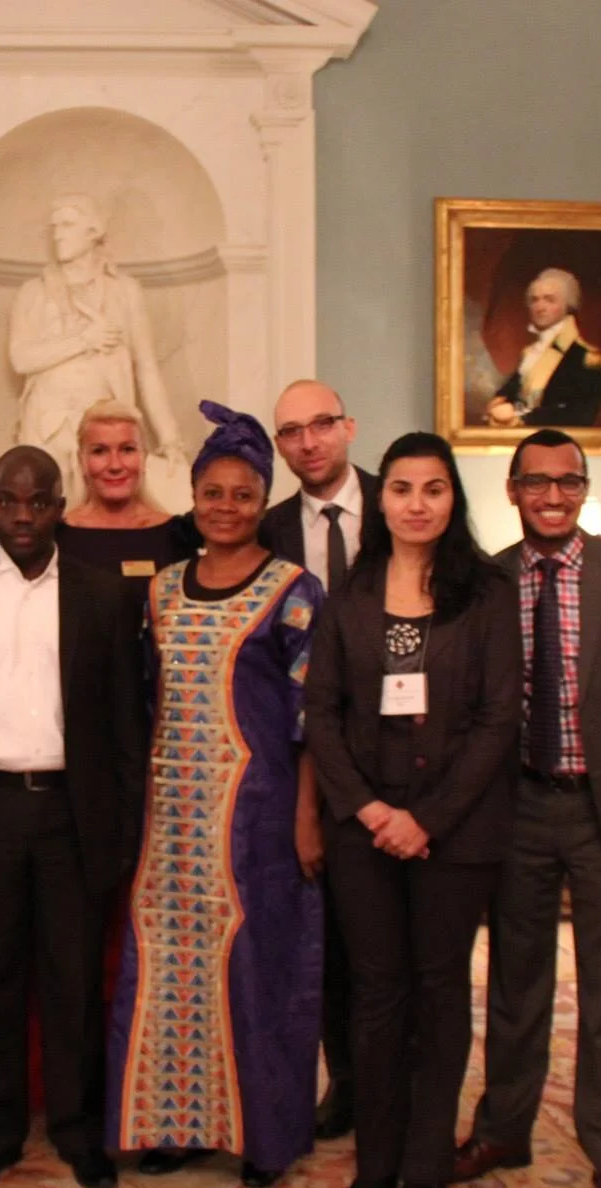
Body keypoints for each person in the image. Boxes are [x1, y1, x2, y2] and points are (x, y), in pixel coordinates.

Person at [453, 428, 601, 1188]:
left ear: (584, 490)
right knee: (516, 987)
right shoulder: (484, 584)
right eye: (536, 483)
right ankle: (504, 1131)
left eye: (569, 482)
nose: (553, 496)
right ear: (511, 492)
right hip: (514, 812)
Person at [303, 431, 521, 1188]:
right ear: (381, 499)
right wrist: (367, 810)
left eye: (433, 489)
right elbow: (322, 713)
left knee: (436, 993)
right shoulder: (349, 594)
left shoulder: (487, 593)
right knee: (375, 994)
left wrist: (424, 819)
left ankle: (427, 1164)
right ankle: (377, 1160)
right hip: (364, 826)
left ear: (452, 499)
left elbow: (499, 721)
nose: (417, 504)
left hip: (454, 833)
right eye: (402, 489)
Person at [106, 400, 325, 1188]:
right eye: (211, 494)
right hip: (168, 824)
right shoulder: (161, 591)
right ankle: (174, 1124)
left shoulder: (296, 591)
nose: (224, 508)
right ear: (192, 498)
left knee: (256, 968)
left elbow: (311, 723)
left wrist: (306, 816)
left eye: (240, 494)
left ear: (262, 500)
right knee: (171, 968)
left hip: (256, 821)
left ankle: (262, 1136)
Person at [0, 446, 145, 1188]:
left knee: (73, 979)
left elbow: (125, 727)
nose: (23, 516)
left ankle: (79, 1132)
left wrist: (119, 834)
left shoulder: (105, 597)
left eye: (39, 501)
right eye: (9, 501)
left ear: (60, 505)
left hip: (71, 815)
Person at [260, 378, 386, 1143]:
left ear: (348, 426)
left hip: (403, 756)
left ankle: (395, 1082)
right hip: (304, 757)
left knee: (396, 941)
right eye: (291, 433)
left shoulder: (404, 504)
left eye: (320, 426)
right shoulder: (267, 529)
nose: (307, 442)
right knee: (326, 937)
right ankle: (343, 1083)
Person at [8, 193, 189, 495]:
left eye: (67, 224)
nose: (58, 234)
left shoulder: (125, 292)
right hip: (47, 426)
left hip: (108, 430)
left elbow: (146, 368)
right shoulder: (33, 292)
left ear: (93, 231)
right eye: (54, 227)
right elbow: (21, 359)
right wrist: (84, 340)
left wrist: (170, 439)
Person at [57, 398, 199, 618]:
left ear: (144, 457)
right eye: (99, 451)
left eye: (127, 449)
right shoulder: (58, 537)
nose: (115, 465)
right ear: (81, 460)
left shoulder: (176, 535)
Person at [484, 269, 601, 429]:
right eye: (534, 300)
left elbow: (581, 415)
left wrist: (520, 419)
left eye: (549, 300)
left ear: (568, 305)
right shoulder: (529, 354)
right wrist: (499, 407)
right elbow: (508, 393)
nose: (540, 307)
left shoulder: (588, 359)